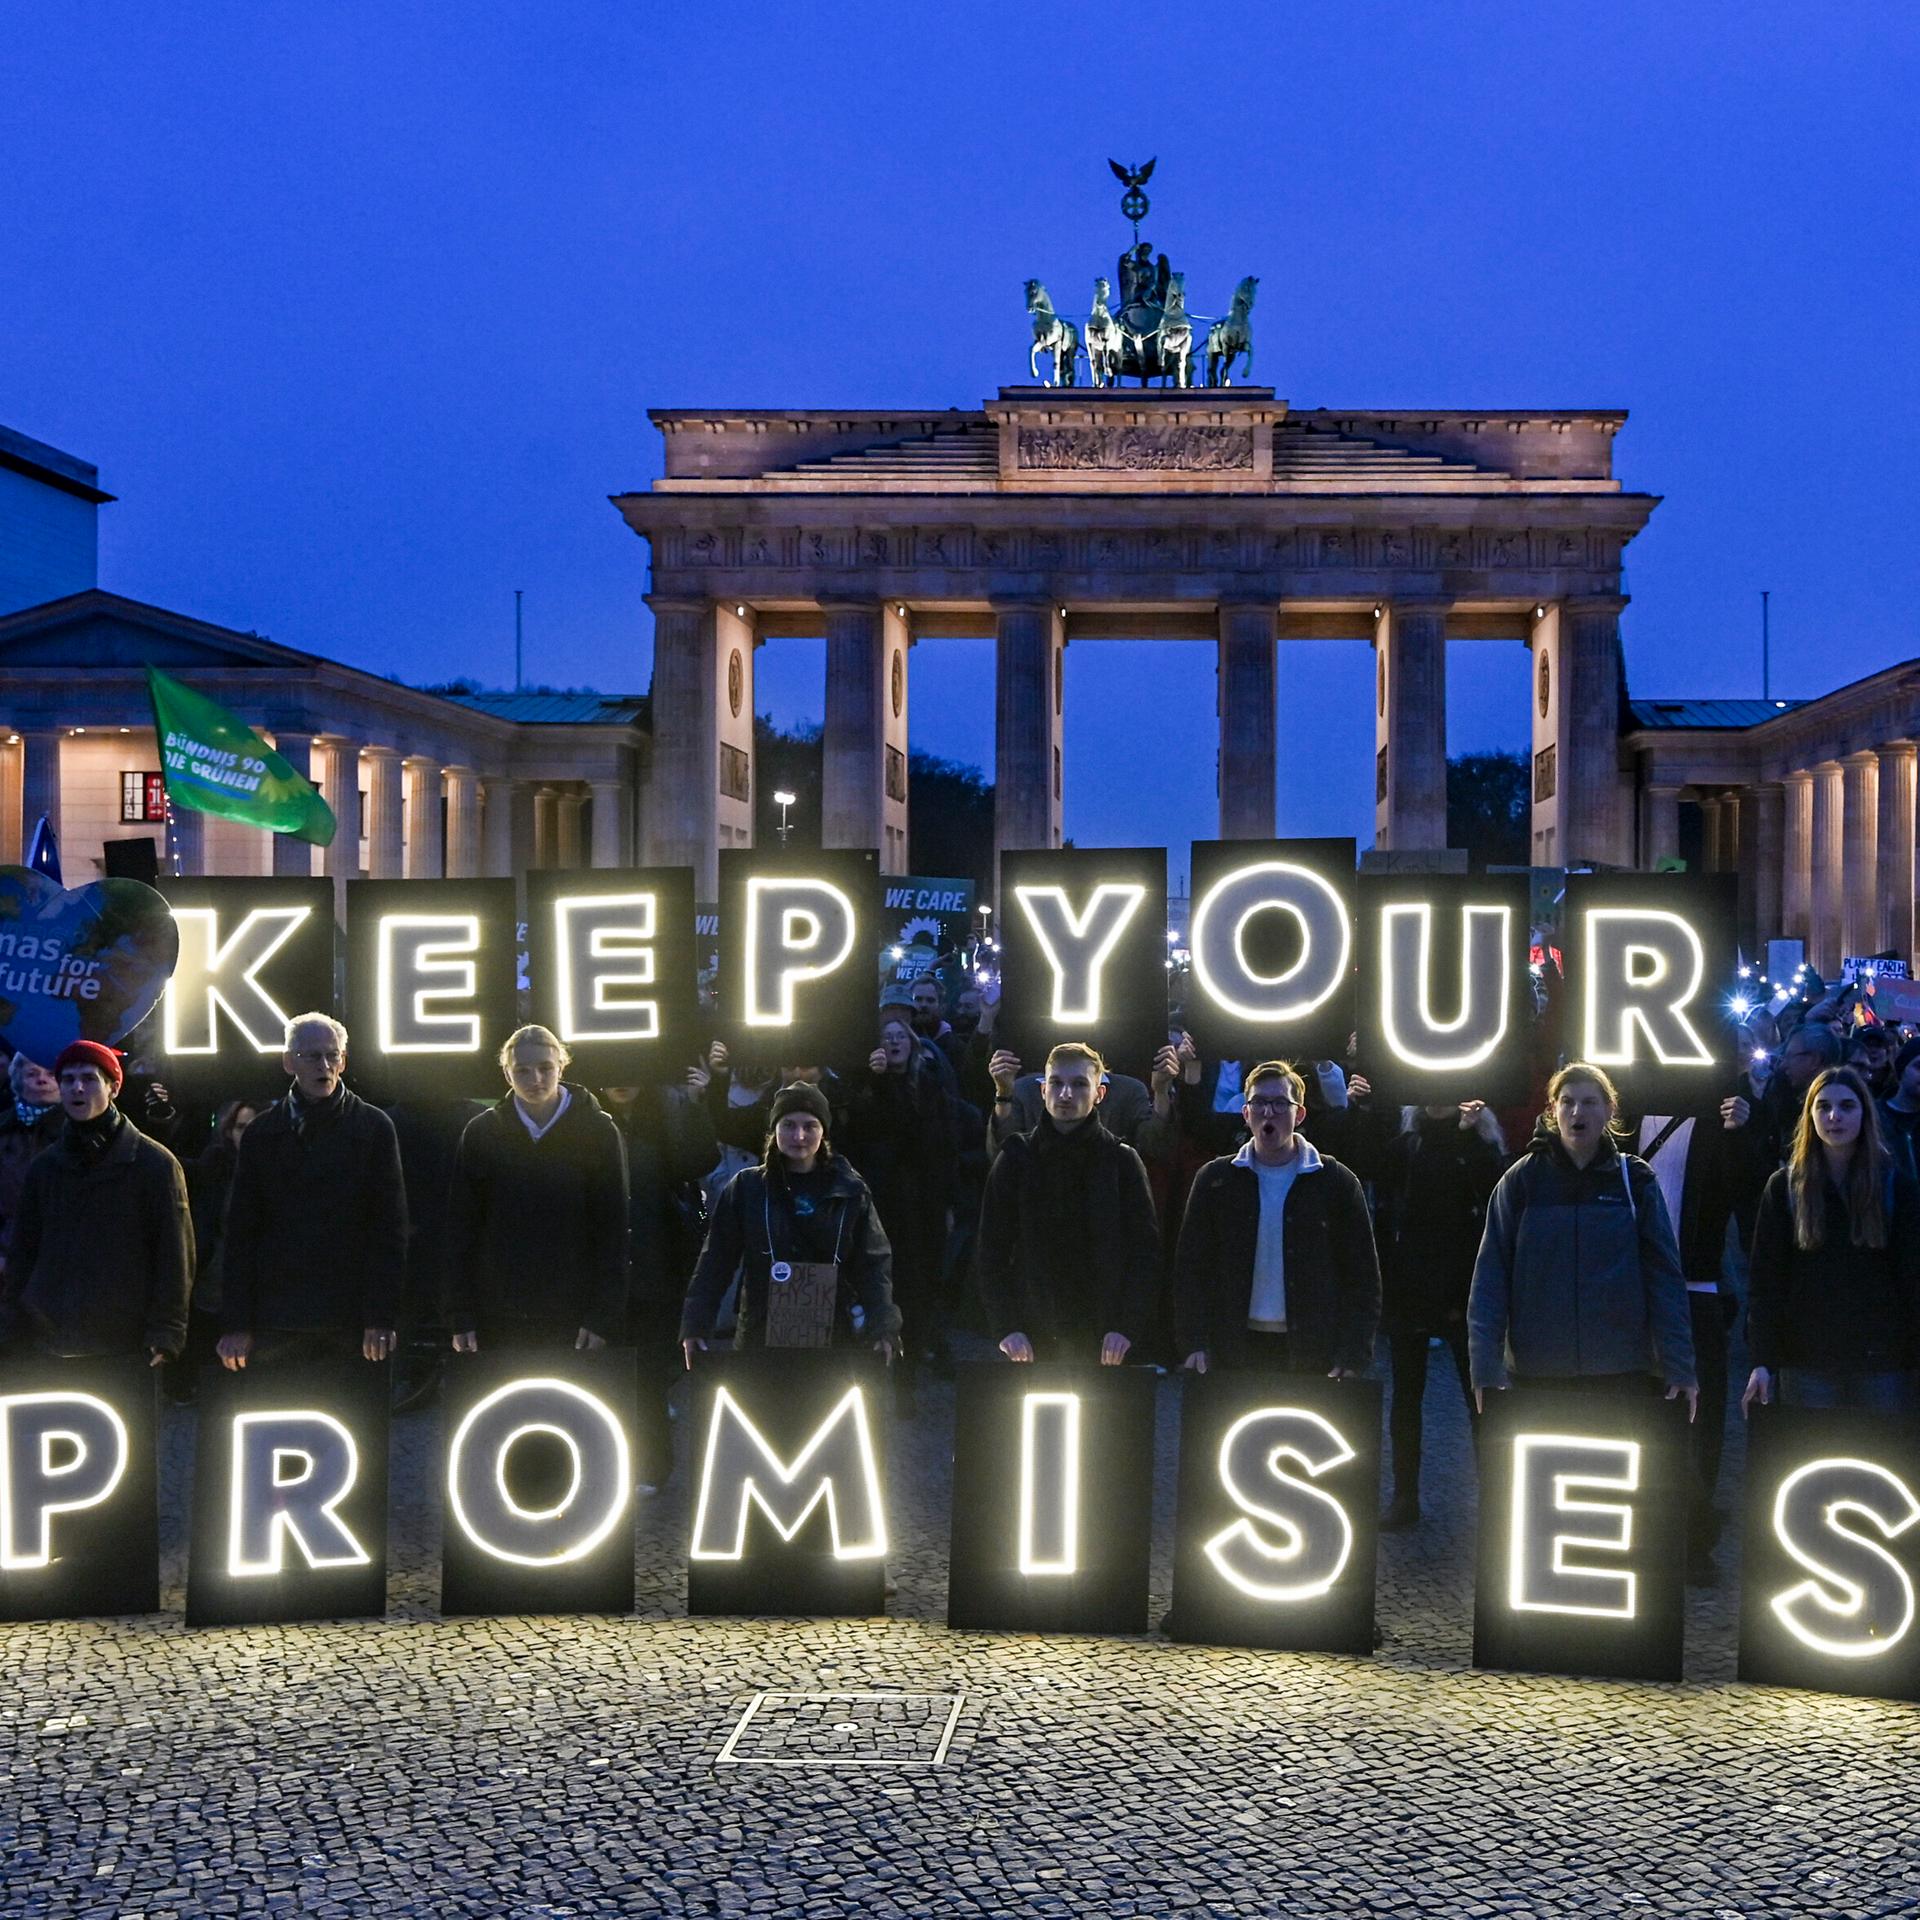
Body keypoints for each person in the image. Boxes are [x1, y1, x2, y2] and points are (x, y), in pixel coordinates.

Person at [1468, 1063, 1697, 1413]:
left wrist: (1679, 1366)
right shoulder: (1522, 1180)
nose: (1577, 1111)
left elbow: (1664, 1277)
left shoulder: (1634, 1180)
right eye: (1567, 1101)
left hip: (1620, 1368)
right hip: (1538, 1368)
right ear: (1552, 1110)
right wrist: (1484, 1368)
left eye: (1590, 1102)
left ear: (1609, 1109)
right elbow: (1490, 1279)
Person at [1628, 1090, 1771, 1579]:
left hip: (1696, 1285)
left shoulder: (1722, 1113)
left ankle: (1694, 1535)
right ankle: (1644, 1530)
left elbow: (1753, 1190)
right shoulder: (1624, 1111)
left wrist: (1741, 1133)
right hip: (1629, 1283)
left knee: (1700, 1416)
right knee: (1634, 1407)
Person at [217, 1013, 407, 1370]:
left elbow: (389, 1229)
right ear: (289, 1062)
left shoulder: (374, 1127)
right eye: (311, 1056)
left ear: (344, 1061)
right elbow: (241, 1232)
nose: (324, 1065)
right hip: (277, 1314)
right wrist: (237, 1322)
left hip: (348, 1316)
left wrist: (380, 1317)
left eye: (332, 1055)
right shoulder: (261, 1133)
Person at [1173, 1060, 1380, 1379]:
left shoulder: (1336, 1181)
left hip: (1313, 1349)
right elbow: (1191, 1267)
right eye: (1258, 1103)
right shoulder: (1216, 1179)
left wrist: (1353, 1353)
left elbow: (1362, 1277)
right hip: (1231, 1347)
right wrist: (1193, 1341)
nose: (1268, 1112)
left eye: (1280, 1103)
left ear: (1299, 1115)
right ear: (1245, 1114)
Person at [680, 1082, 900, 1365]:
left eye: (810, 1126)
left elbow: (873, 1263)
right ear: (774, 1130)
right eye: (788, 1125)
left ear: (823, 1132)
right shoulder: (747, 1188)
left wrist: (884, 1326)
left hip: (832, 1332)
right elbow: (716, 1259)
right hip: (762, 1332)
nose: (799, 1135)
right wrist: (695, 1324)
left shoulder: (850, 1189)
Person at [1, 1041, 192, 1365]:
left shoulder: (154, 1164)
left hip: (126, 1335)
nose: (77, 1088)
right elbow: (24, 1249)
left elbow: (174, 1254)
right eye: (69, 1079)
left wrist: (167, 1331)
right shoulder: (45, 1166)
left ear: (113, 1087)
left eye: (89, 1078)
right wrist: (12, 1321)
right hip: (49, 1333)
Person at [1743, 1065, 1920, 1415]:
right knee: (1813, 1458)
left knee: (1881, 1458)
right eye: (1823, 1106)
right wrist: (1763, 1359)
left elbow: (1912, 1278)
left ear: (1864, 1113)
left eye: (1847, 1106)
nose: (1834, 1116)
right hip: (1806, 1353)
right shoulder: (1785, 1188)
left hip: (1881, 1355)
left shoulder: (1894, 1185)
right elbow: (1766, 1280)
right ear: (1810, 1115)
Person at [446, 1026, 630, 1354]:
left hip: (574, 1309)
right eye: (523, 1070)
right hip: (499, 1310)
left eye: (545, 1068)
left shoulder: (598, 1130)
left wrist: (603, 1314)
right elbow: (461, 1228)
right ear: (506, 1073)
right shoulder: (482, 1133)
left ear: (561, 1066)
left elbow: (613, 1226)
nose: (536, 1079)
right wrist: (461, 1314)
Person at [977, 1042, 1160, 1365]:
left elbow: (1145, 1253)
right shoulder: (1015, 1157)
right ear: (1043, 1090)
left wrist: (1126, 1326)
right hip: (1029, 1332)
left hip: (1105, 1335)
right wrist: (1005, 1326)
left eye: (1078, 1084)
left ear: (1099, 1094)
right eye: (1057, 1083)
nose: (1065, 1094)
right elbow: (991, 1249)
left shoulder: (1122, 1161)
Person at [1374, 1099, 1507, 1528]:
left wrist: (1470, 1134)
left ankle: (1495, 1499)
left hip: (1463, 1284)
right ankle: (1405, 1495)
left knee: (1480, 1397)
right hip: (1411, 1282)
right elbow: (1373, 1166)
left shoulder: (1479, 1140)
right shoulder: (1407, 1142)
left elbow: (1494, 1192)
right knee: (1407, 1397)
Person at [842, 1001, 959, 1410]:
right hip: (880, 1202)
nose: (893, 1042)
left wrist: (946, 1202)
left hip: (921, 1206)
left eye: (899, 1036)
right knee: (878, 1287)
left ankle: (907, 1375)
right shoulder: (863, 1088)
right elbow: (861, 1135)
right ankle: (880, 1369)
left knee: (917, 1290)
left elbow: (943, 1147)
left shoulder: (929, 1085)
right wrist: (871, 1081)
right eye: (885, 1037)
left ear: (911, 1044)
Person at [0, 1049, 66, 1270]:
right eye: (32, 1074)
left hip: (63, 1249)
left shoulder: (78, 1131)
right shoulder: (4, 1129)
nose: (41, 1080)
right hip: (9, 1249)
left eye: (50, 1074)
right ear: (18, 1080)